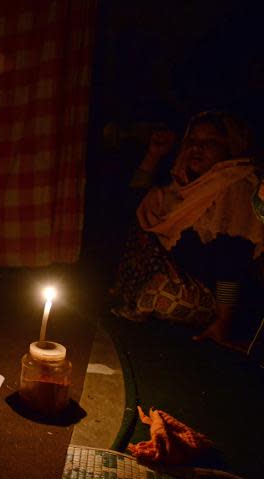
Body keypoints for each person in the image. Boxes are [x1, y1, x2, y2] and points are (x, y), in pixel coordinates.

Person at [111, 111, 264, 348]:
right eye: (192, 141)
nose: (197, 148)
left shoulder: (236, 183)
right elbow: (134, 204)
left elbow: (232, 257)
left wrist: (223, 321)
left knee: (163, 295)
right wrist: (153, 155)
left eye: (210, 142)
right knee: (140, 220)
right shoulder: (183, 183)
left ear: (230, 145)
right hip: (176, 275)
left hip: (213, 297)